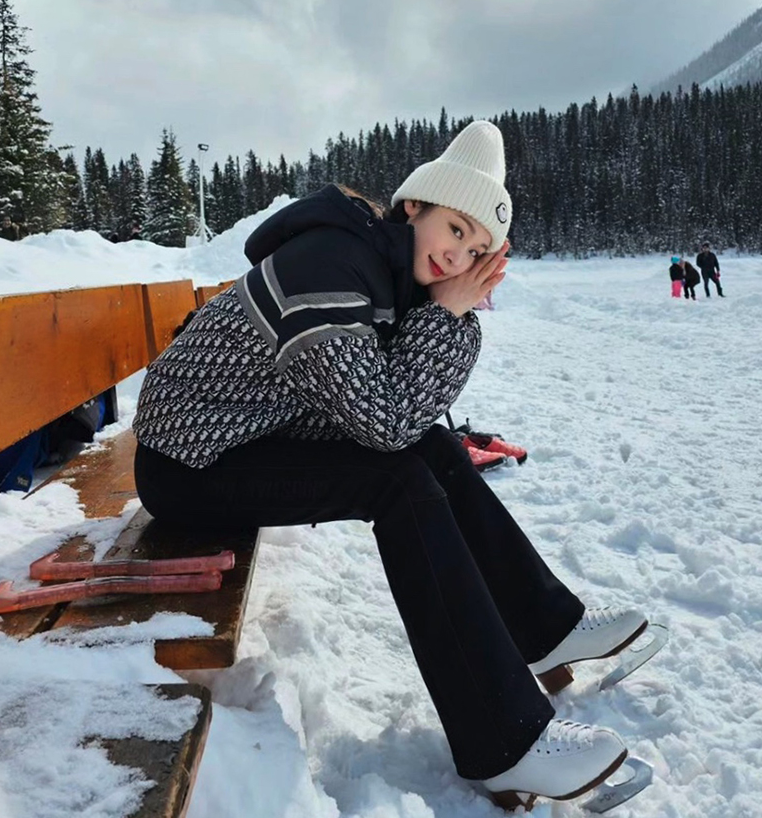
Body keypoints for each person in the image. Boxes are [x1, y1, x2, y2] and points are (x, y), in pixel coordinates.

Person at [132, 121, 650, 808]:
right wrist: (449, 318)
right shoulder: (329, 265)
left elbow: (405, 416)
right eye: (454, 227)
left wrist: (450, 318)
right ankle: (504, 743)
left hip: (251, 436)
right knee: (398, 478)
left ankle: (544, 633)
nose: (459, 252)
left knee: (431, 450)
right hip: (190, 463)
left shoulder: (383, 273)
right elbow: (382, 425)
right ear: (415, 207)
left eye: (477, 246)